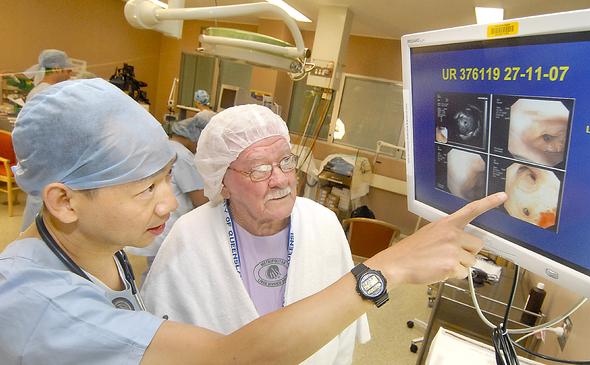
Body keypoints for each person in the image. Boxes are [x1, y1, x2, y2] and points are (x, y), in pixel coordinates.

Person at [0, 78, 507, 364]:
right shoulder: (40, 304)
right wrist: (387, 269)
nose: (168, 203)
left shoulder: (101, 251)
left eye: (165, 180)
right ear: (65, 202)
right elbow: (230, 359)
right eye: (145, 190)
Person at [141, 105, 370, 364]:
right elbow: (162, 337)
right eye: (259, 169)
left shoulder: (324, 224)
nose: (281, 179)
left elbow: (344, 324)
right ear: (222, 182)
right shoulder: (190, 234)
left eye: (286, 161)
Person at [127, 109, 210, 278]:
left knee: (155, 270)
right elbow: (200, 199)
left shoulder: (166, 148)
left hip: (155, 224)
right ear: (198, 137)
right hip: (168, 227)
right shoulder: (183, 156)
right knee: (161, 274)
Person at [20, 49, 75, 232]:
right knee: (40, 201)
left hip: (46, 156)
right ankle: (29, 239)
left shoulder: (46, 91)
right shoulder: (45, 94)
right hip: (45, 157)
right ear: (57, 69)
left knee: (44, 201)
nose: (70, 74)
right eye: (68, 70)